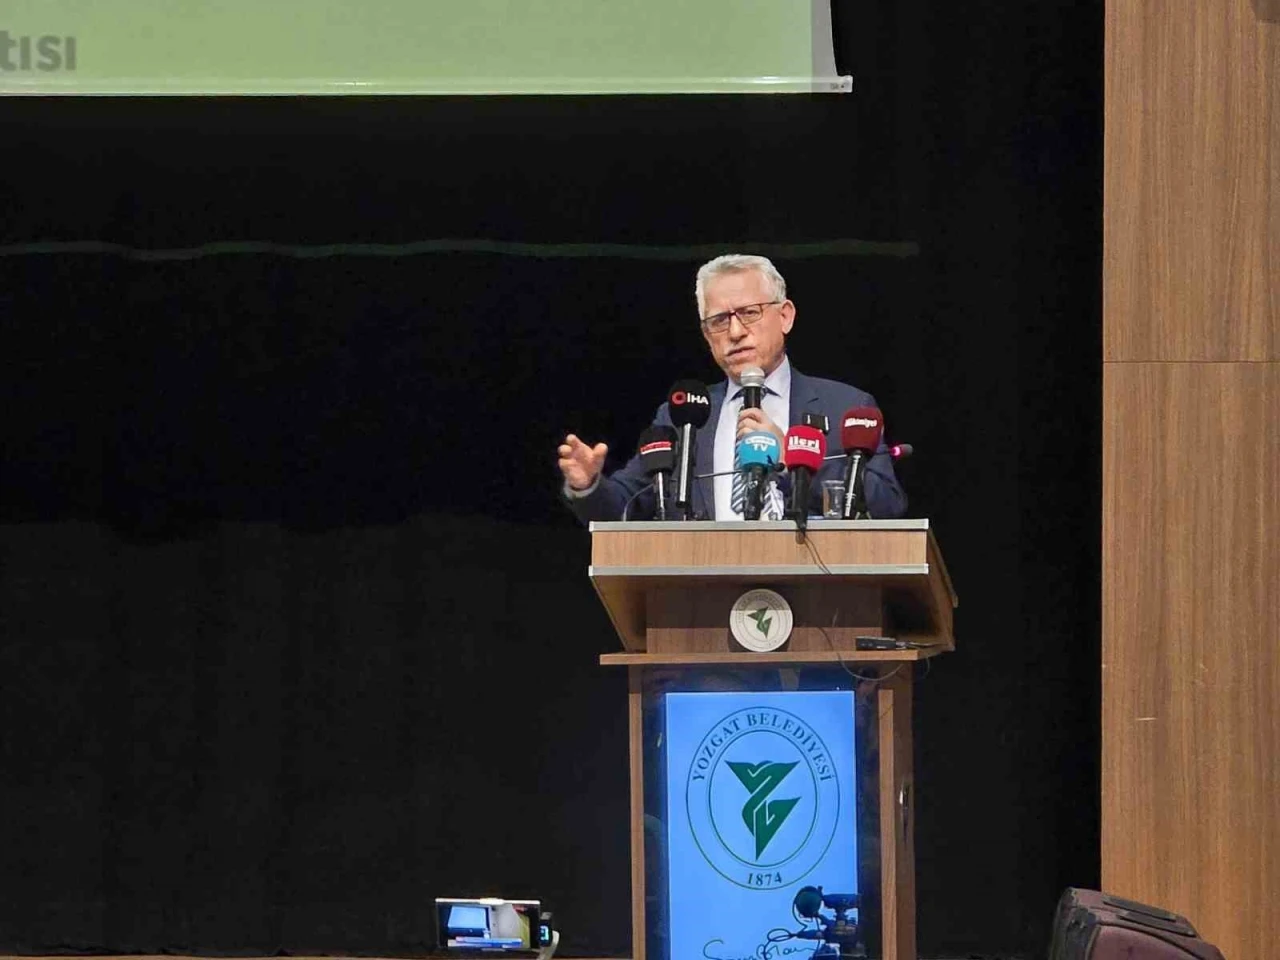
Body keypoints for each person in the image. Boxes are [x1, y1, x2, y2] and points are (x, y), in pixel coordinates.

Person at [557, 254, 906, 521]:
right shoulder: (685, 416)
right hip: (705, 589)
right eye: (719, 320)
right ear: (706, 334)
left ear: (785, 316)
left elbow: (887, 505)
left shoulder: (845, 406)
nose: (735, 332)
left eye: (749, 313)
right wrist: (587, 485)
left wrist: (793, 458)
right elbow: (625, 507)